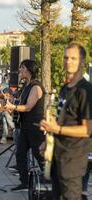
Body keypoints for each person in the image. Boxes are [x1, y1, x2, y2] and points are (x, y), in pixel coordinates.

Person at [40, 43, 92, 200]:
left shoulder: (85, 91)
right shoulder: (66, 88)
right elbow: (62, 120)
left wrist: (57, 129)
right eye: (66, 58)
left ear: (82, 62)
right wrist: (49, 135)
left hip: (74, 158)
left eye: (73, 58)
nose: (68, 61)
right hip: (59, 154)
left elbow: (88, 130)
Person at [5, 59, 45, 191]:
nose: (20, 71)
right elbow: (20, 103)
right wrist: (10, 104)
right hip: (25, 126)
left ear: (28, 69)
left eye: (22, 68)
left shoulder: (36, 87)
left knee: (39, 154)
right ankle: (25, 183)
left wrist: (14, 106)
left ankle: (49, 181)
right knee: (20, 153)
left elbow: (28, 107)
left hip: (35, 126)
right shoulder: (26, 86)